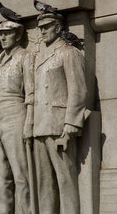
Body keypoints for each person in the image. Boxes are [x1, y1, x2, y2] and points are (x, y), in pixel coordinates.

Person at [31, 13, 87, 214]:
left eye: (46, 26)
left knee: (65, 180)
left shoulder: (68, 53)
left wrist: (71, 124)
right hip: (40, 127)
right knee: (44, 184)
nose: (42, 31)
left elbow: (78, 90)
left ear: (57, 27)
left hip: (58, 125)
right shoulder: (39, 56)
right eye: (40, 27)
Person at [0, 19, 34, 214]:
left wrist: (30, 121)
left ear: (18, 34)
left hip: (16, 113)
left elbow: (31, 92)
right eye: (1, 33)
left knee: (22, 175)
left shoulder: (25, 57)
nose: (3, 37)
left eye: (7, 33)